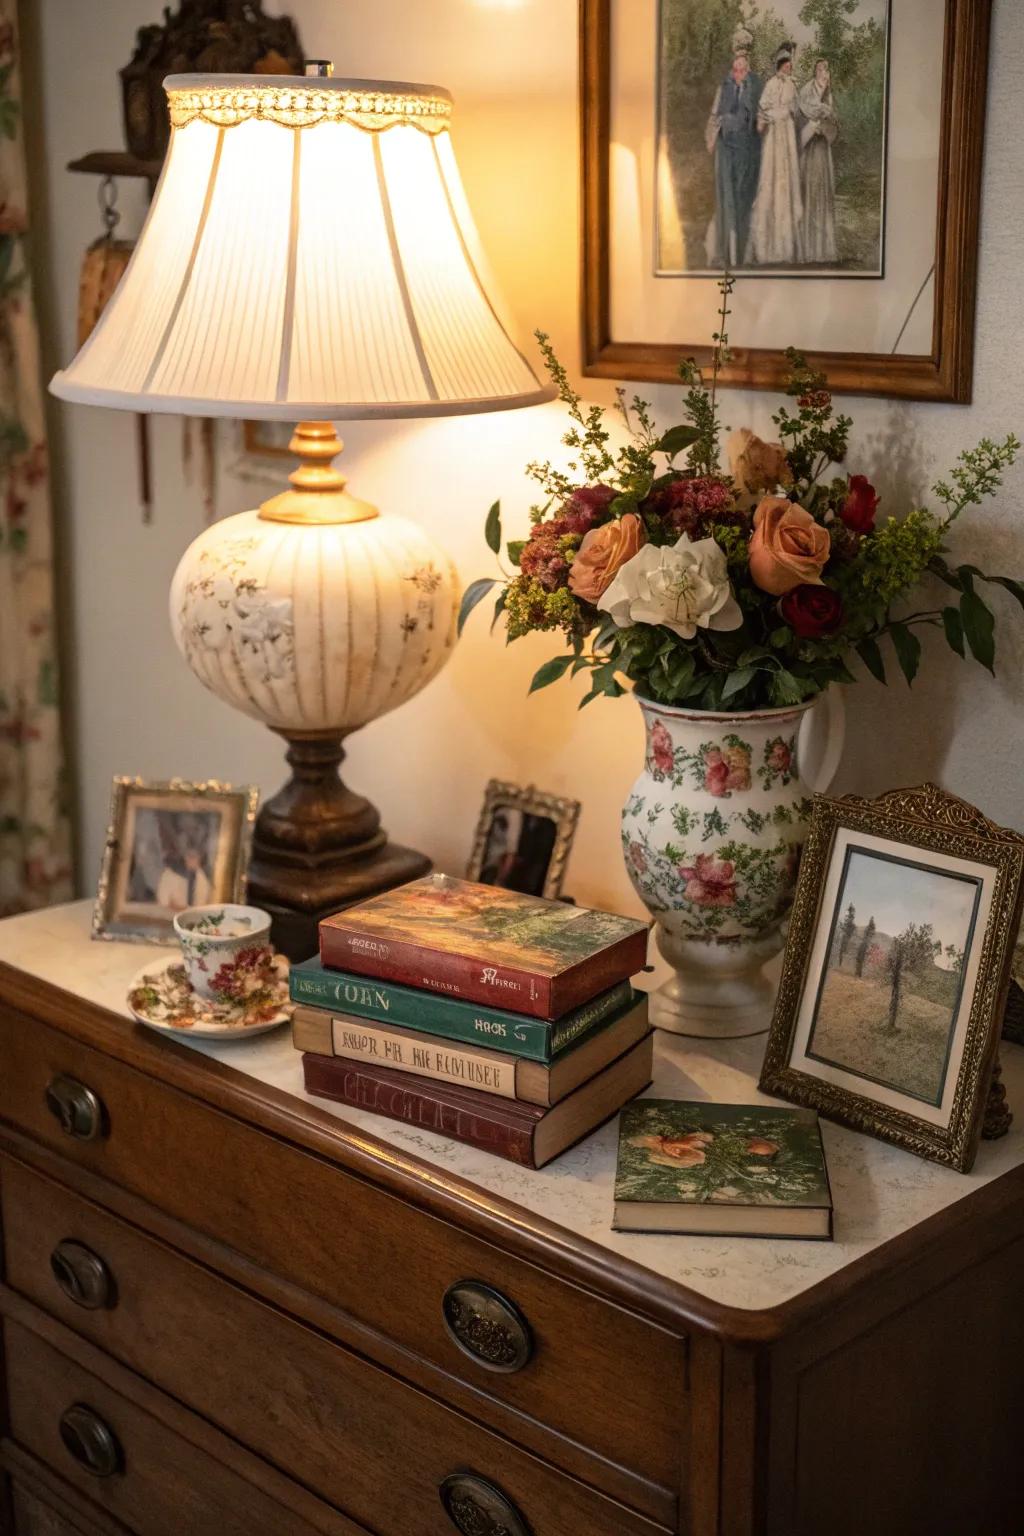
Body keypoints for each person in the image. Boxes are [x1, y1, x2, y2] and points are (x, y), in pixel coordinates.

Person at [704, 51, 763, 269]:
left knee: (742, 201)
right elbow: (713, 116)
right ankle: (723, 254)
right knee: (725, 199)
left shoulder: (753, 90)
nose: (738, 73)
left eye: (743, 70)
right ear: (732, 70)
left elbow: (759, 119)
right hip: (726, 149)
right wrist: (711, 139)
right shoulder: (724, 88)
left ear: (747, 72)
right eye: (736, 69)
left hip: (746, 151)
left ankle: (740, 254)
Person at [748, 43, 804, 266]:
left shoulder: (792, 85)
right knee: (772, 179)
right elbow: (763, 111)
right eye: (787, 64)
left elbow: (796, 110)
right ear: (780, 65)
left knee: (787, 179)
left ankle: (787, 245)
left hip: (787, 136)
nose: (790, 67)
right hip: (774, 137)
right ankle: (767, 244)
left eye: (791, 64)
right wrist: (775, 115)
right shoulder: (771, 84)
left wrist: (788, 112)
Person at [799, 58, 840, 264]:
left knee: (823, 191)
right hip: (810, 150)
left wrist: (825, 126)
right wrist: (813, 125)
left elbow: (834, 124)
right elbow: (802, 114)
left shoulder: (828, 96)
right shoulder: (806, 90)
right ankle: (808, 249)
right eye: (821, 72)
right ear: (816, 73)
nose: (824, 77)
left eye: (826, 73)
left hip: (822, 150)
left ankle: (823, 250)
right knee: (810, 191)